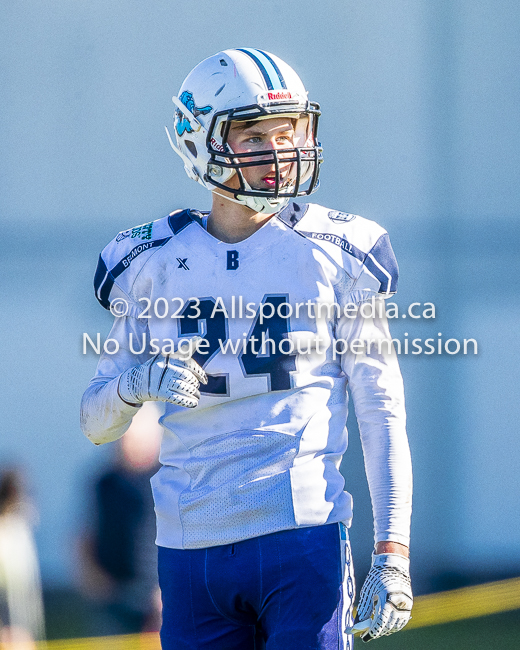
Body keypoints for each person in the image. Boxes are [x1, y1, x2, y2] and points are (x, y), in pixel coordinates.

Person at [81, 48, 413, 649]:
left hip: (302, 535)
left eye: (288, 132)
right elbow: (96, 423)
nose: (278, 152)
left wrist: (392, 551)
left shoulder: (338, 252)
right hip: (189, 548)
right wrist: (136, 385)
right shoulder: (150, 264)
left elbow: (382, 410)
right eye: (254, 134)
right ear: (197, 140)